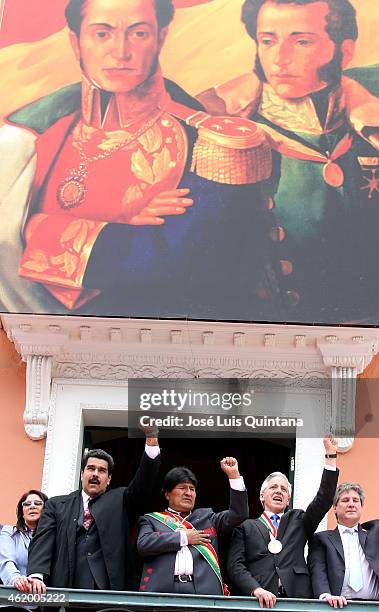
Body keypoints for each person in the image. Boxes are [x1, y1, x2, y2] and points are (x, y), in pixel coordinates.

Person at [0, 0, 277, 322]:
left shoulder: (210, 140)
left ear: (160, 38)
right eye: (102, 34)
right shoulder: (28, 135)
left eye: (139, 33)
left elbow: (183, 261)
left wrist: (33, 229)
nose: (120, 52)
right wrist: (122, 219)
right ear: (76, 42)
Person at [198, 0, 379, 325]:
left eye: (301, 41)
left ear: (345, 51)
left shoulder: (368, 128)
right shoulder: (219, 136)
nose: (279, 58)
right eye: (268, 41)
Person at [27, 433, 160, 593]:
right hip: (65, 588)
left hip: (109, 591)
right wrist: (36, 575)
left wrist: (151, 442)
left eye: (102, 470)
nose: (95, 474)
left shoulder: (121, 499)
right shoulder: (56, 505)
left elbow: (143, 484)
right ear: (82, 473)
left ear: (109, 478)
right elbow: (43, 541)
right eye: (91, 468)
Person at [227, 437, 338, 607]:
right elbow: (235, 566)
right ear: (262, 496)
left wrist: (330, 456)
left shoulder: (299, 520)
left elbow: (323, 500)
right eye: (273, 487)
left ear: (288, 500)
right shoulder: (245, 527)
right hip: (258, 601)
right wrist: (256, 589)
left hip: (297, 598)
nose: (279, 491)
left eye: (284, 489)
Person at [137, 457, 248, 595]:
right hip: (163, 592)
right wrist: (184, 537)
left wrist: (234, 476)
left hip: (204, 593)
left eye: (192, 489)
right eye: (182, 488)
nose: (188, 493)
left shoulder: (208, 518)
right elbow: (144, 544)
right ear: (167, 494)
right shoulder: (152, 520)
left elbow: (239, 514)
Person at [308, 483, 379, 607]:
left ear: (361, 507)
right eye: (345, 500)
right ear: (335, 507)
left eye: (356, 500)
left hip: (374, 606)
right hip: (337, 606)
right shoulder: (321, 539)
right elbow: (318, 570)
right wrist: (325, 595)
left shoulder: (374, 535)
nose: (351, 504)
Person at [0, 490, 48, 601]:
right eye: (27, 504)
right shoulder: (9, 532)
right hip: (13, 600)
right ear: (22, 511)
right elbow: (6, 561)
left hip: (46, 602)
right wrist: (15, 579)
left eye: (37, 503)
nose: (32, 506)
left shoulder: (53, 537)